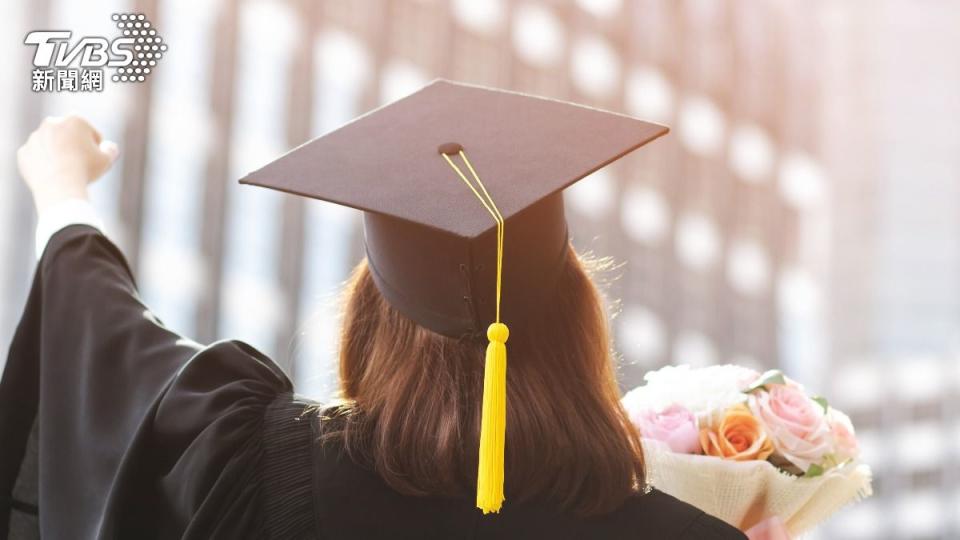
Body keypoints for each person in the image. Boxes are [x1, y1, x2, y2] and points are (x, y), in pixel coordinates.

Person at [1, 81, 749, 539]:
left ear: (369, 320)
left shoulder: (256, 461)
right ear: (581, 321)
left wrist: (65, 194)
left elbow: (111, 343)